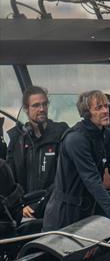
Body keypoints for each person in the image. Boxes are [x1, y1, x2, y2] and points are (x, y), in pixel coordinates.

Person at [42, 91, 110, 231]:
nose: (105, 111)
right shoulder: (75, 139)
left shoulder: (106, 134)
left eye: (106, 106)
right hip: (64, 213)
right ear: (86, 113)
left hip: (88, 208)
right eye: (98, 108)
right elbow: (91, 178)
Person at [6, 86, 69, 220]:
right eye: (36, 105)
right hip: (24, 211)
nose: (41, 109)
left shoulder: (61, 133)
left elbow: (64, 176)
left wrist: (38, 205)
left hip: (53, 207)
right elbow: (9, 179)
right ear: (26, 108)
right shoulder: (17, 138)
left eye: (44, 104)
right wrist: (19, 207)